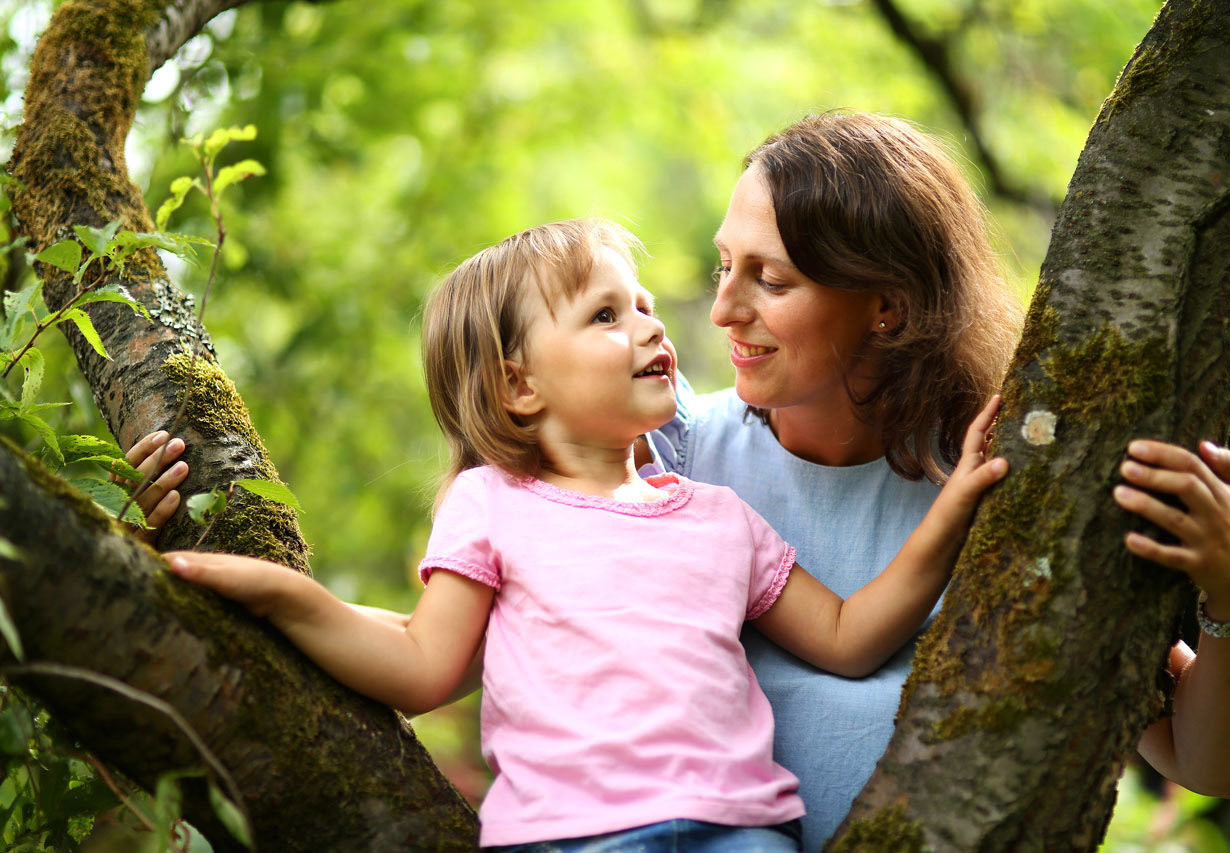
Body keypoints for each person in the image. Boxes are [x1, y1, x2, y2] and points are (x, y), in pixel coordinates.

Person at [125, 111, 1230, 850]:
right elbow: (450, 639)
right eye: (723, 266)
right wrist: (211, 543)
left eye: (769, 279)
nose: (718, 310)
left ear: (883, 304)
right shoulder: (668, 458)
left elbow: (1205, 759)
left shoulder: (990, 492)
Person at [156, 219, 1008, 851]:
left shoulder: (720, 515)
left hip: (742, 832)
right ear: (519, 385)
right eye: (605, 315)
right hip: (571, 838)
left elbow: (849, 637)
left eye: (642, 305)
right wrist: (286, 597)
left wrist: (955, 506)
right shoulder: (492, 504)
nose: (651, 325)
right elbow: (423, 663)